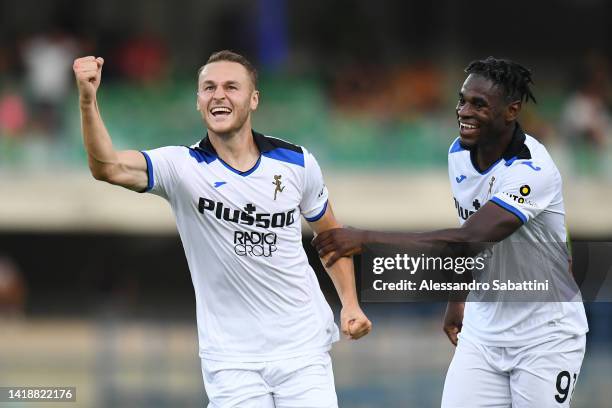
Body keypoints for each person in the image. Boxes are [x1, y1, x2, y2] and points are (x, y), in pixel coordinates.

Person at [73, 50, 371, 407]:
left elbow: (330, 237)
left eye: (232, 87)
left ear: (253, 99)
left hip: (302, 348)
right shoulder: (181, 167)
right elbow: (107, 167)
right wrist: (88, 100)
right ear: (199, 101)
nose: (219, 95)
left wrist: (350, 304)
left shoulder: (297, 162)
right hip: (231, 360)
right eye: (208, 88)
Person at [313, 57, 588, 407]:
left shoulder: (532, 170)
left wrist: (364, 237)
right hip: (483, 333)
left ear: (511, 110)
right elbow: (469, 240)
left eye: (479, 104)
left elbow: (472, 236)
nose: (464, 111)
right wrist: (458, 298)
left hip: (546, 337)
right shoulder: (459, 153)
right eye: (462, 100)